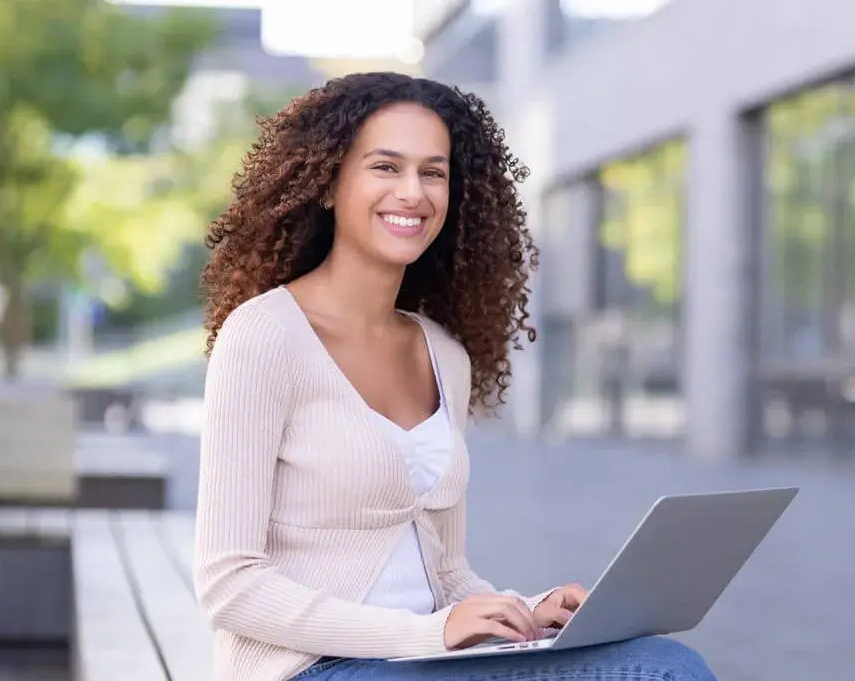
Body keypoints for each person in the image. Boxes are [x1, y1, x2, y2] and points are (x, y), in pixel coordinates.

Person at [191, 71, 719, 681]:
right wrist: (426, 633)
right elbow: (229, 584)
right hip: (314, 668)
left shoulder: (442, 353)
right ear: (328, 183)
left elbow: (445, 573)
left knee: (667, 663)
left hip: (423, 660)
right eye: (385, 167)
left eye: (433, 172)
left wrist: (527, 612)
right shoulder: (264, 337)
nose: (413, 192)